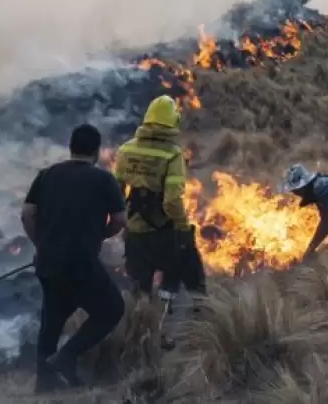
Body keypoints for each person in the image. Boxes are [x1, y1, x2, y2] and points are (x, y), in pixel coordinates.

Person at [21, 124, 127, 392]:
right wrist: (100, 236)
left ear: (71, 148)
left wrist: (40, 245)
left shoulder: (46, 175)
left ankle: (43, 381)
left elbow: (28, 213)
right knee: (111, 309)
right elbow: (119, 219)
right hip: (81, 262)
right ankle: (67, 357)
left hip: (48, 262)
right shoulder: (103, 179)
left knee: (53, 319)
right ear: (97, 151)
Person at [114, 96, 206, 305]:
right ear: (173, 123)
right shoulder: (173, 155)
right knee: (188, 272)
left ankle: (139, 328)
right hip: (163, 234)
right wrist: (183, 230)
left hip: (135, 233)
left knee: (139, 291)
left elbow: (115, 192)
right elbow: (172, 201)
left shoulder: (126, 149)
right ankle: (190, 316)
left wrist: (123, 223)